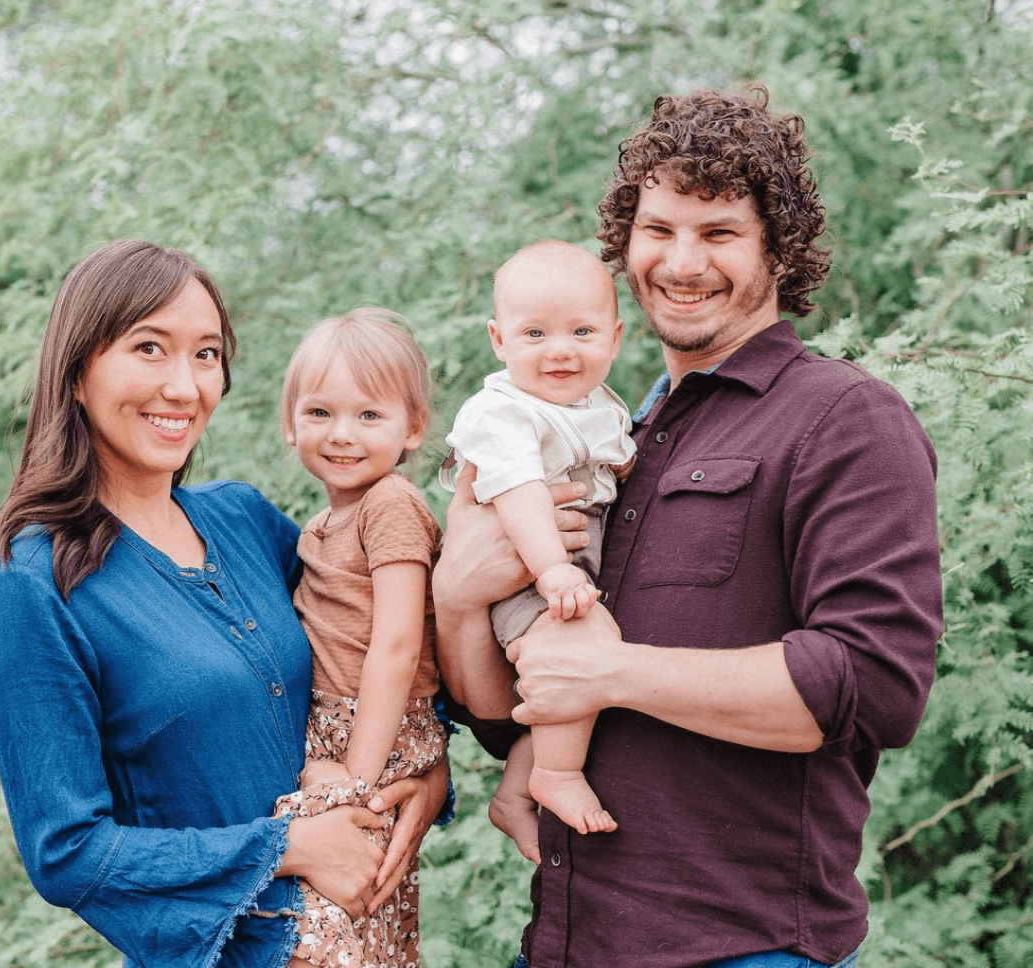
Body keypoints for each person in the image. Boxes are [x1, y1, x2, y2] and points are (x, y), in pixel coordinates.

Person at [433, 86, 943, 968]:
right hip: (563, 943)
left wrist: (616, 671)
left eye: (718, 234)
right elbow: (511, 712)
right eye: (658, 229)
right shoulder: (601, 442)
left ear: (777, 251)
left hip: (741, 949)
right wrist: (451, 598)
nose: (681, 262)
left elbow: (875, 685)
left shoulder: (843, 418)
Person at [0, 240, 448, 968]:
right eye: (150, 348)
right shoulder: (34, 582)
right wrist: (286, 847)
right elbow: (66, 854)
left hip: (367, 941)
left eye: (205, 354)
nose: (184, 386)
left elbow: (383, 635)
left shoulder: (244, 518)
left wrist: (427, 774)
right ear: (76, 371)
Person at [439, 240, 635, 853]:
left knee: (562, 684)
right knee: (583, 651)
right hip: (525, 574)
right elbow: (520, 492)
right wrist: (551, 570)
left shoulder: (597, 404)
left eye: (582, 331)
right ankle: (555, 773)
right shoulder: (501, 412)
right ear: (499, 341)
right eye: (535, 333)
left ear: (616, 337)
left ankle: (515, 789)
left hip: (568, 565)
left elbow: (615, 462)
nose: (560, 349)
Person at [272, 309, 447, 968]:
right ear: (290, 423)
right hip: (338, 728)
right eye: (320, 413)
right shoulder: (320, 523)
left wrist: (355, 781)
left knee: (325, 926)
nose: (342, 435)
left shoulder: (390, 504)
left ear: (413, 428)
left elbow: (398, 643)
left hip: (376, 730)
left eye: (369, 416)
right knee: (369, 914)